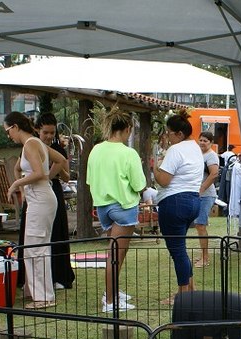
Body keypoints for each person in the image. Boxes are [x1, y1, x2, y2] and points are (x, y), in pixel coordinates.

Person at [4, 111, 66, 309]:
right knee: (34, 246)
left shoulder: (31, 144)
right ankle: (36, 291)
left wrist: (17, 184)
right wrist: (24, 187)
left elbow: (40, 173)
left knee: (35, 247)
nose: (8, 135)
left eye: (8, 131)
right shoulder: (36, 144)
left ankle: (44, 296)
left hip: (41, 200)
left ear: (15, 127)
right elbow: (59, 159)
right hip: (40, 199)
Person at [87, 106, 146, 313]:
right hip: (123, 206)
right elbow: (139, 184)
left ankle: (112, 293)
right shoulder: (128, 153)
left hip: (102, 205)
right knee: (116, 255)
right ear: (127, 128)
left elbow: (89, 180)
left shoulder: (96, 150)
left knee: (114, 252)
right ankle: (110, 301)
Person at [154, 110, 203, 304]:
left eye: (169, 133)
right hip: (193, 201)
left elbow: (164, 180)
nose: (167, 137)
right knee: (180, 248)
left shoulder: (176, 150)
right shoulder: (195, 148)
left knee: (178, 251)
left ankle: (182, 295)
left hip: (173, 203)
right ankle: (190, 288)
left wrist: (155, 169)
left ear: (179, 134)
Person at [35, 112, 75, 290]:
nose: (49, 136)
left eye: (52, 133)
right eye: (46, 133)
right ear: (38, 131)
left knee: (57, 232)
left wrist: (55, 171)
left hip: (54, 189)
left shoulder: (58, 150)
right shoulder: (32, 147)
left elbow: (67, 177)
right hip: (36, 192)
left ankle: (59, 275)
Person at [193, 131, 220, 268]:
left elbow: (214, 174)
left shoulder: (212, 156)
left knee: (200, 224)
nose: (202, 142)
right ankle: (202, 255)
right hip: (198, 194)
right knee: (198, 225)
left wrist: (202, 188)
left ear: (211, 142)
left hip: (206, 194)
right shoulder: (199, 154)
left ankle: (205, 258)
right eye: (201, 140)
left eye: (205, 141)